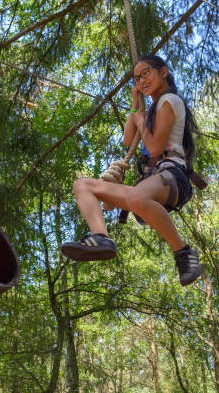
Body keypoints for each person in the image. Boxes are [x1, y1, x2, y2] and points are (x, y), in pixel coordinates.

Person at [60, 55, 201, 286]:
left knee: (136, 197)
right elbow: (128, 140)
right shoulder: (153, 108)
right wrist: (135, 108)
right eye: (136, 78)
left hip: (173, 176)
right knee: (82, 185)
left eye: (146, 73)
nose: (141, 80)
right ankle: (101, 238)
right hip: (151, 182)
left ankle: (183, 252)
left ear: (163, 72)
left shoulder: (170, 100)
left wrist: (139, 119)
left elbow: (155, 148)